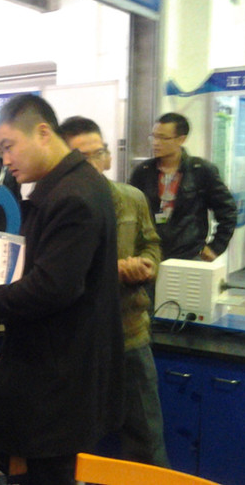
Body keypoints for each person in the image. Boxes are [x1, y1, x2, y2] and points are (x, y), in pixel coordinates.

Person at [0, 95, 124, 485]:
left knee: (47, 473)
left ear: (42, 133)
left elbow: (53, 287)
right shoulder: (67, 186)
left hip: (58, 376)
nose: (5, 160)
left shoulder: (72, 196)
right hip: (54, 368)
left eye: (9, 147)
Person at [59, 116, 169, 468]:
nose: (94, 164)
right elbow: (57, 274)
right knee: (75, 442)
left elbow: (151, 243)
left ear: (107, 157)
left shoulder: (131, 198)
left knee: (146, 440)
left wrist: (148, 264)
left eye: (99, 153)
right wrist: (116, 270)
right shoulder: (57, 207)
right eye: (82, 157)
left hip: (130, 334)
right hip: (79, 342)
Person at [129, 112, 237, 261]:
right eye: (153, 137)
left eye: (163, 138)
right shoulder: (143, 171)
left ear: (181, 139)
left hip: (189, 253)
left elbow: (228, 211)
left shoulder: (201, 170)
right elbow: (130, 210)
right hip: (150, 253)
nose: (156, 143)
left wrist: (216, 247)